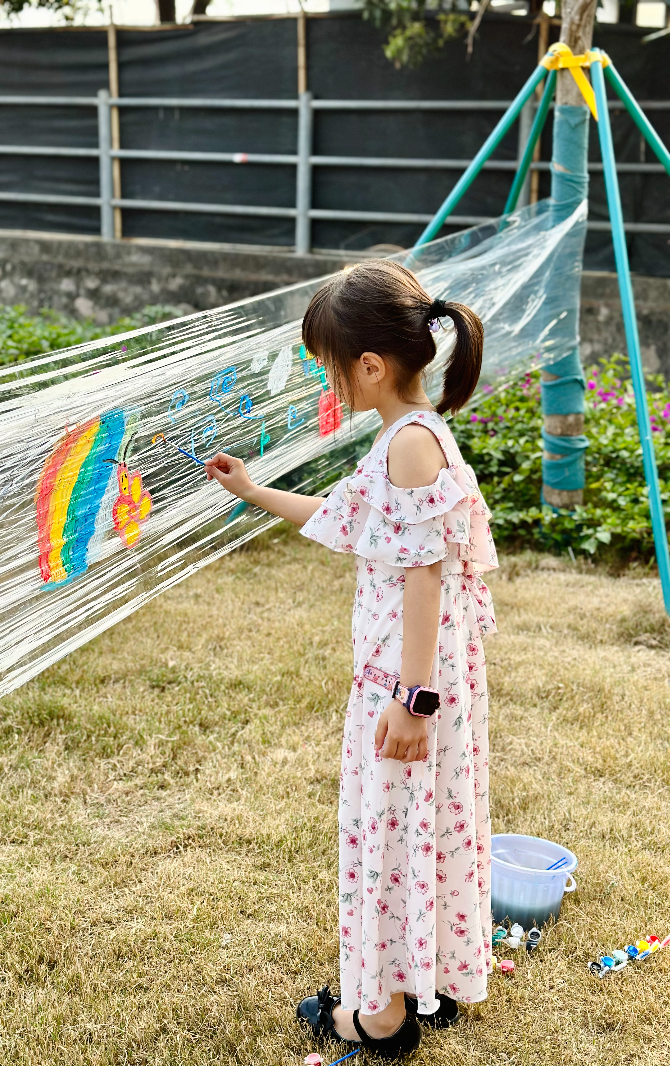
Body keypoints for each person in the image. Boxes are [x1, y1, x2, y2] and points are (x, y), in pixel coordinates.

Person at [204, 260, 497, 1060]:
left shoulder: (409, 447)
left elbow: (424, 575)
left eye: (330, 367)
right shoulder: (412, 435)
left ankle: (382, 1018)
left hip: (407, 685)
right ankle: (419, 982)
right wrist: (254, 491)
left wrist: (413, 699)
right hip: (415, 679)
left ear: (368, 366)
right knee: (416, 831)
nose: (328, 382)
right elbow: (349, 519)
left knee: (393, 837)